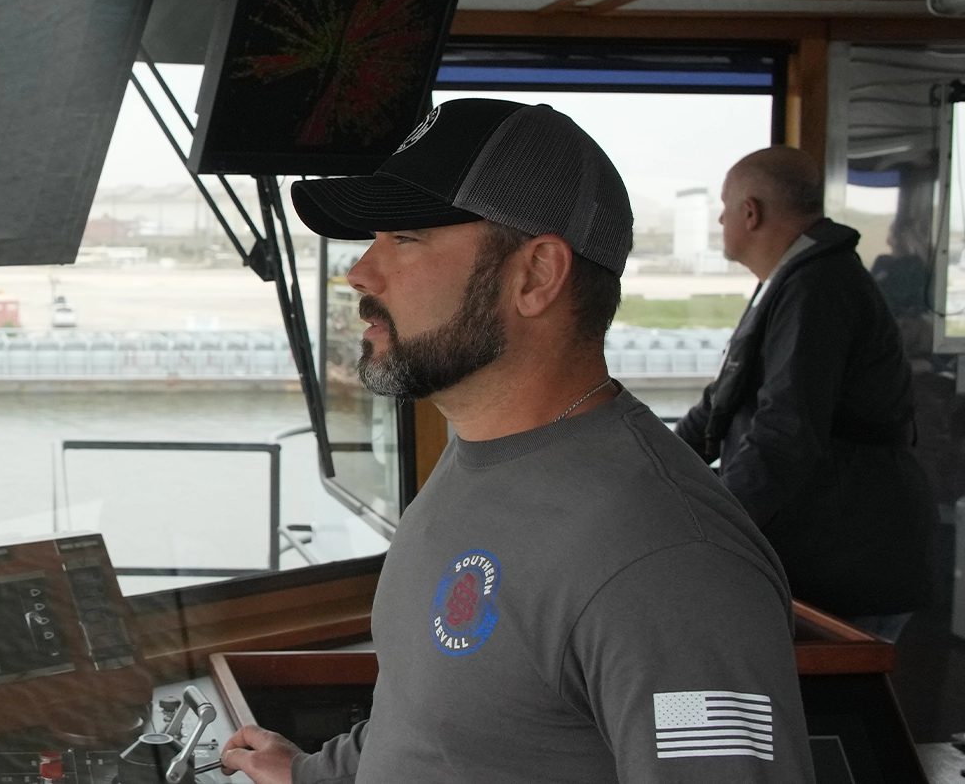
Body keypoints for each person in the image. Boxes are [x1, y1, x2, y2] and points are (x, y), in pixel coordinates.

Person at [223, 99, 811, 783]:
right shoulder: (475, 458)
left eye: (405, 238)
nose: (361, 273)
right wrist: (313, 774)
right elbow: (438, 722)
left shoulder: (670, 561)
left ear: (535, 276)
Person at [674, 146, 936, 639]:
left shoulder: (818, 287)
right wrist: (650, 466)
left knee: (833, 711)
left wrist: (715, 529)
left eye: (726, 206)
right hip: (835, 541)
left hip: (853, 552)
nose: (721, 217)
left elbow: (785, 432)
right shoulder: (793, 280)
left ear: (751, 213)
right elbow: (722, 403)